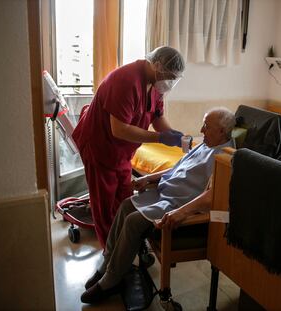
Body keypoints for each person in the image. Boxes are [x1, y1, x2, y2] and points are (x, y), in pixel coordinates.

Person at [80, 108, 236, 304]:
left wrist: (181, 212)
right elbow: (177, 167)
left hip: (178, 204)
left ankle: (112, 279)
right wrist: (148, 178)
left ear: (222, 131)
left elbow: (210, 197)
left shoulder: (225, 158)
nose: (201, 129)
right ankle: (107, 262)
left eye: (207, 126)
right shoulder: (205, 145)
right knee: (126, 205)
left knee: (133, 221)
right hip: (164, 193)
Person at [72, 46, 186, 247]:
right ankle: (111, 254)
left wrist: (175, 137)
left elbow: (157, 116)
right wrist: (160, 138)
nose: (170, 82)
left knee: (125, 199)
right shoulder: (126, 80)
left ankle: (124, 245)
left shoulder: (155, 86)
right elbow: (120, 130)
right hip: (100, 147)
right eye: (169, 76)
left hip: (122, 153)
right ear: (157, 65)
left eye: (174, 78)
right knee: (105, 206)